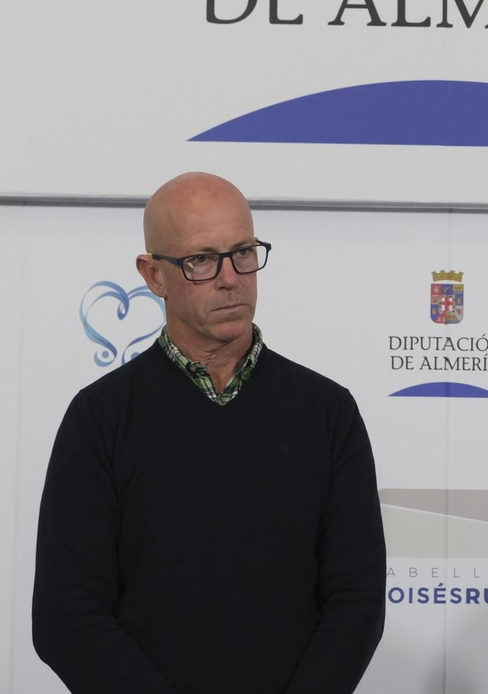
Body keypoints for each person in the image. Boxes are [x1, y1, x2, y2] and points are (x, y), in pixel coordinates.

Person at [33, 172, 386, 694]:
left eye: (243, 252)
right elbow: (66, 614)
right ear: (153, 275)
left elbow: (356, 599)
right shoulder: (100, 418)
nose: (231, 278)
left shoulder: (327, 412)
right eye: (202, 260)